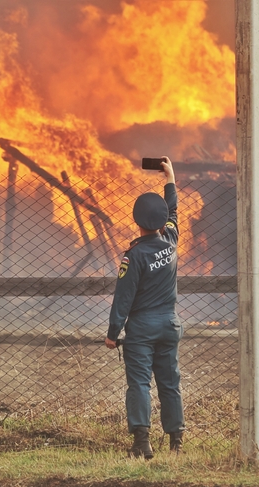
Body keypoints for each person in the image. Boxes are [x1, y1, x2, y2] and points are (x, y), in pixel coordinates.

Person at [105, 156, 185, 459]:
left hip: (141, 329)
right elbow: (174, 211)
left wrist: (113, 333)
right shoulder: (171, 240)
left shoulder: (133, 256)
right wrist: (170, 178)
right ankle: (176, 440)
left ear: (137, 222)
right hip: (169, 325)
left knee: (139, 383)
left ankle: (142, 442)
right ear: (161, 222)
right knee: (170, 382)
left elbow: (123, 298)